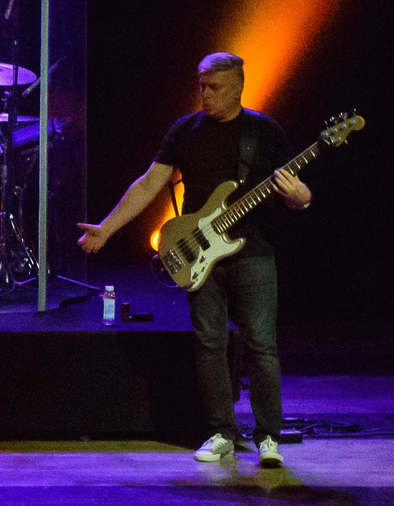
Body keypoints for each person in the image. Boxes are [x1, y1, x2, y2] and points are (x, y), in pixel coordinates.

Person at [78, 52, 311, 467]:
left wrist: (301, 199)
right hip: (199, 252)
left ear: (238, 88)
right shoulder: (185, 130)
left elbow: (297, 190)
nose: (205, 94)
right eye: (201, 85)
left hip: (254, 252)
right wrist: (107, 228)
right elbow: (149, 184)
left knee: (262, 345)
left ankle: (268, 437)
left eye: (214, 87)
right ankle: (221, 432)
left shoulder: (264, 131)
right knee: (209, 344)